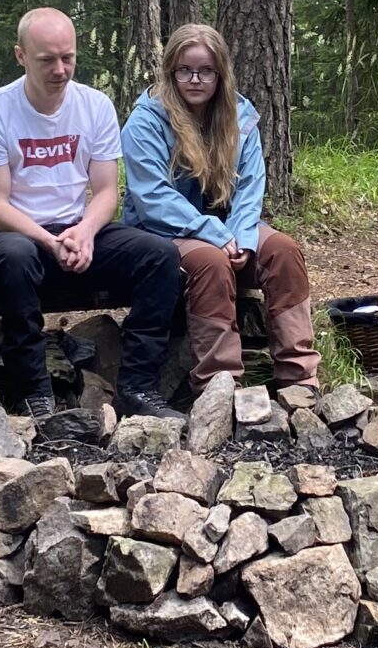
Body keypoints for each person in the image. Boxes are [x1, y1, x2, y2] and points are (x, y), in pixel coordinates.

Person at [0, 7, 183, 420]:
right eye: (47, 59)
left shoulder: (94, 106)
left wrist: (84, 232)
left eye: (68, 58)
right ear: (21, 56)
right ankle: (33, 390)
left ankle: (138, 386)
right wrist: (48, 241)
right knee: (14, 256)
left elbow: (105, 192)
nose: (60, 69)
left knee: (159, 256)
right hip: (16, 234)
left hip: (78, 230)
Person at [122, 22, 321, 395]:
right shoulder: (145, 122)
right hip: (162, 232)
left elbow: (250, 185)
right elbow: (153, 199)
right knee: (210, 262)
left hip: (228, 227)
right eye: (185, 70)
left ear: (220, 74)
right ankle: (220, 385)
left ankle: (299, 379)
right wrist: (215, 235)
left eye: (206, 71)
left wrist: (243, 237)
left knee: (283, 251)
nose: (195, 79)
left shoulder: (240, 115)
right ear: (170, 72)